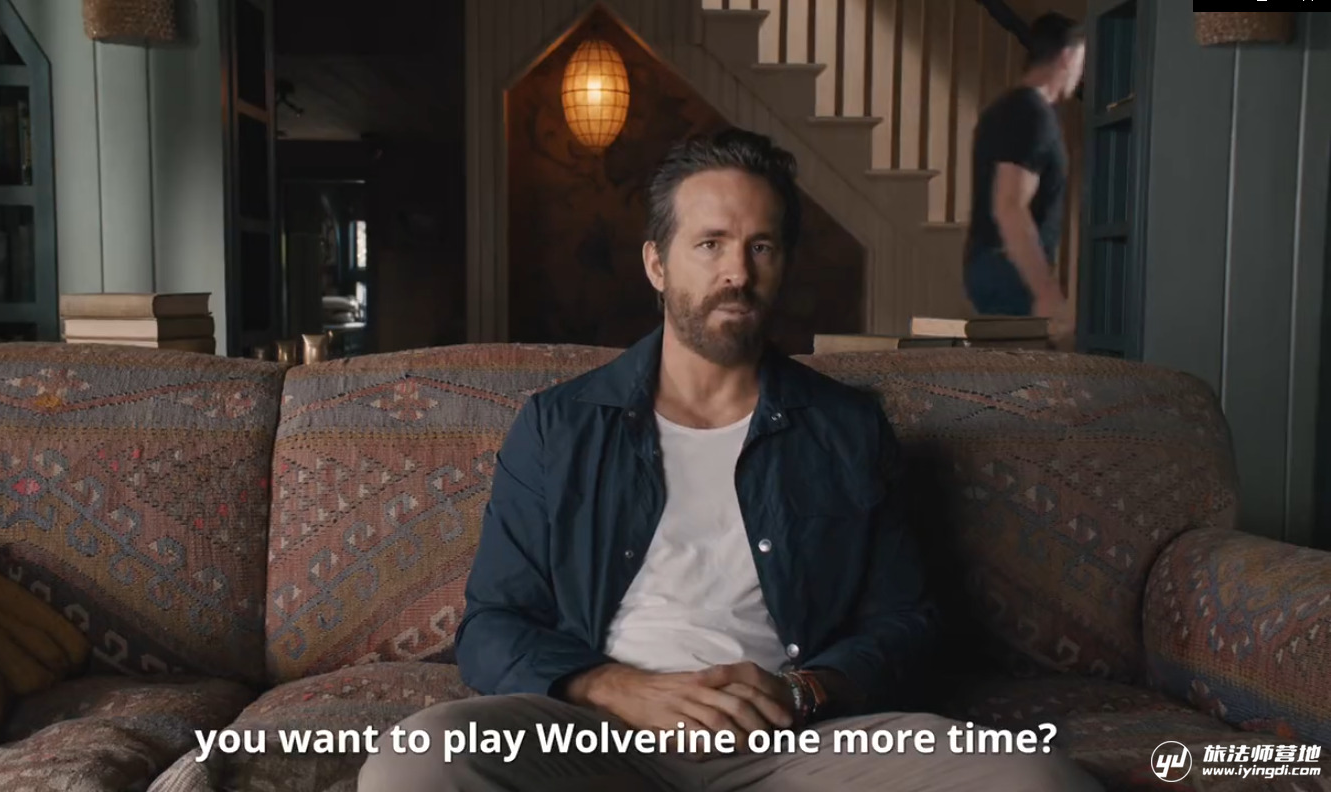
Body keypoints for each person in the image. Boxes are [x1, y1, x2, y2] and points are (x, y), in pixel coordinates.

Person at [359, 129, 1100, 791]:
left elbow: (907, 623)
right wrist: (618, 689)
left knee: (1035, 777)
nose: (737, 272)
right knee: (417, 761)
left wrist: (803, 691)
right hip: (600, 736)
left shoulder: (847, 429)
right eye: (710, 244)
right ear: (657, 263)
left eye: (761, 247)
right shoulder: (560, 425)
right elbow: (492, 626)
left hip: (793, 740)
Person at [964, 12, 1086, 344]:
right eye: (1082, 60)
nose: (1081, 72)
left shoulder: (1005, 109)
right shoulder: (1030, 113)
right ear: (1067, 56)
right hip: (1010, 269)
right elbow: (1009, 206)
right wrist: (1045, 290)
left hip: (997, 265)